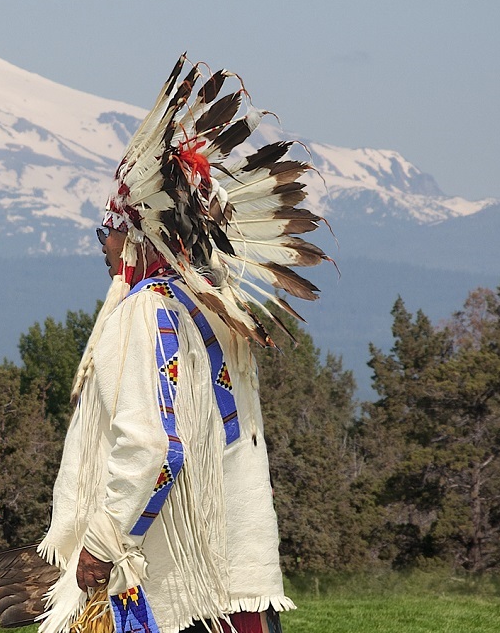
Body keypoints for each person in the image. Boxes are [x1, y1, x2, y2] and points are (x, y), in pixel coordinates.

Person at [37, 56, 328, 633]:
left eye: (108, 230)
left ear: (138, 233)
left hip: (173, 595)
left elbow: (153, 446)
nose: (103, 246)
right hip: (235, 586)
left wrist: (99, 544)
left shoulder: (147, 313)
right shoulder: (217, 311)